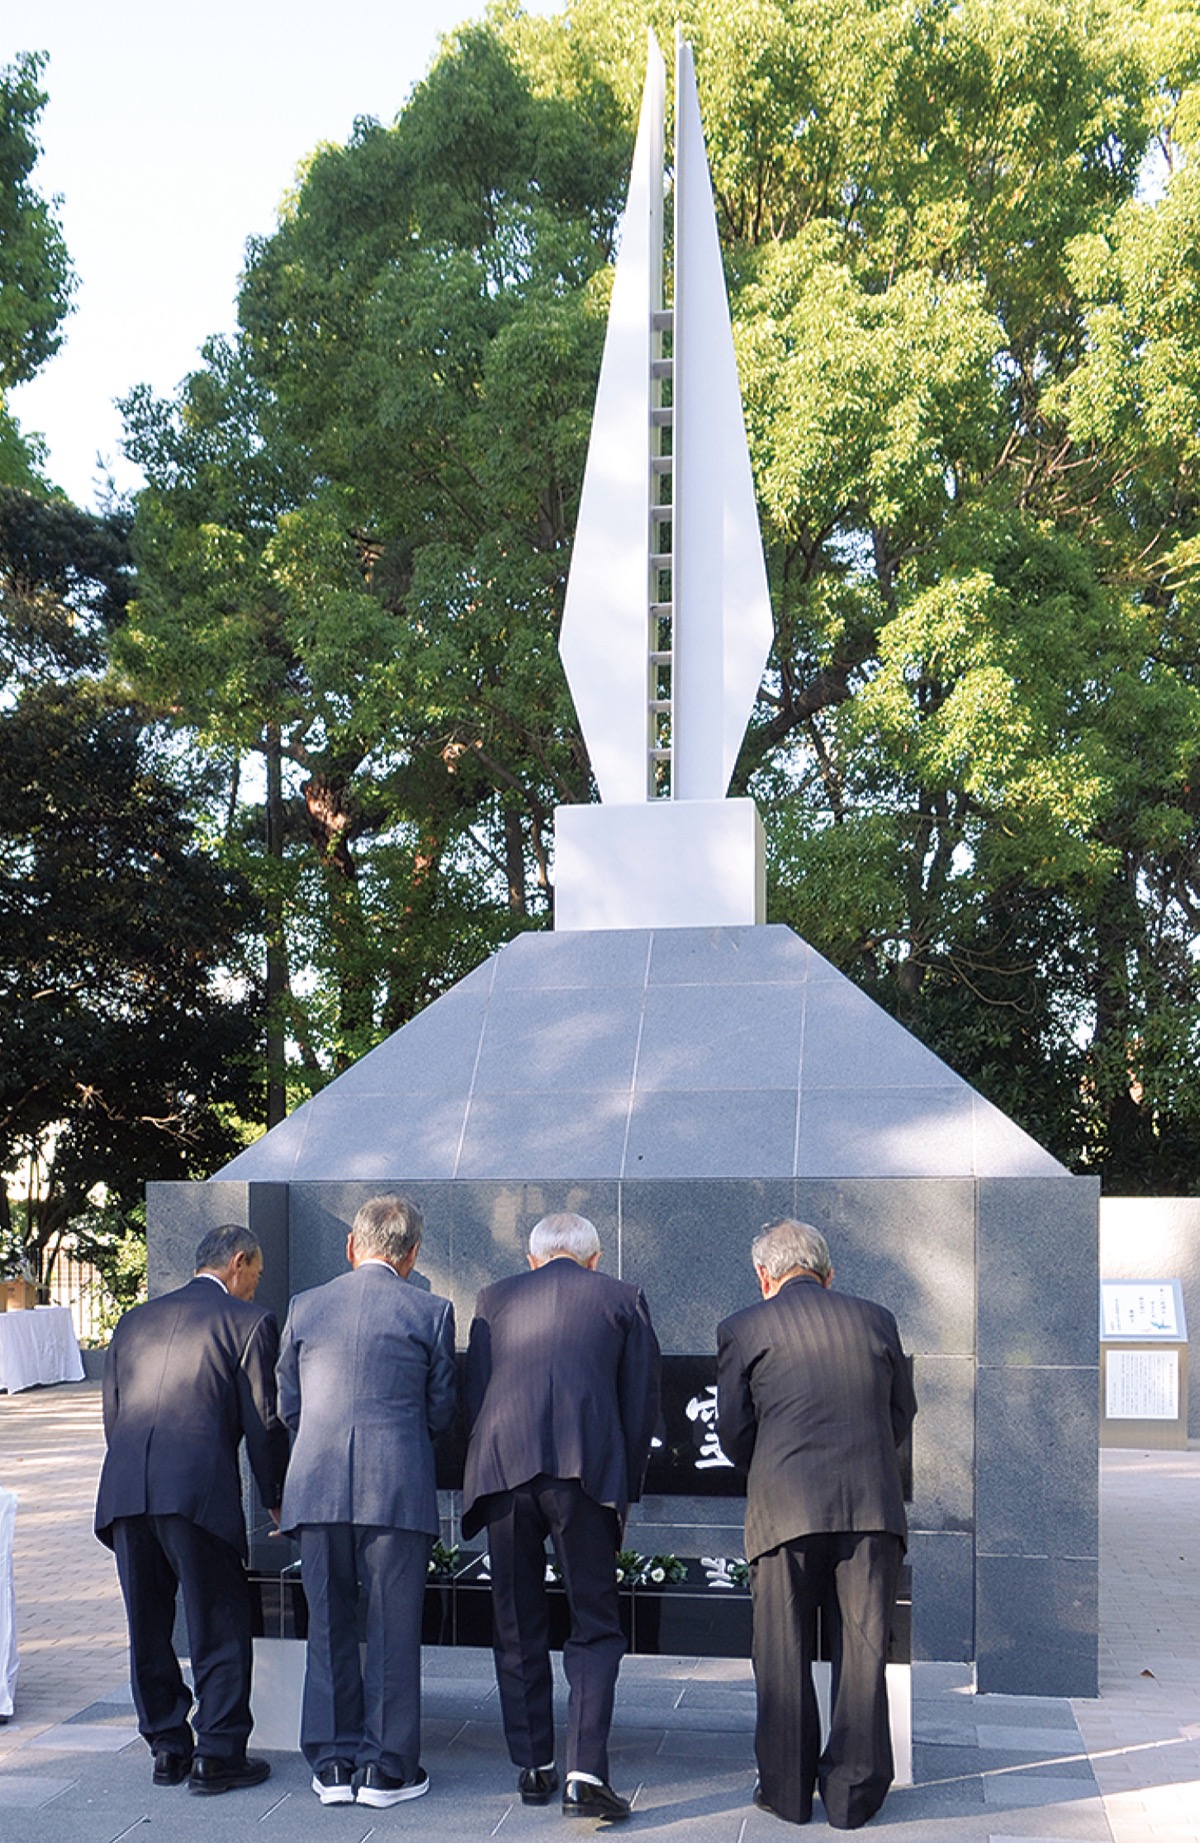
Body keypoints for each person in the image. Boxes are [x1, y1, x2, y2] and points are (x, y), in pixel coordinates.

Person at [716, 1220, 916, 1830]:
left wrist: (774, 1462)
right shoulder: (877, 1319)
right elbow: (900, 1413)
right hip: (870, 1509)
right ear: (829, 1274)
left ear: (765, 1276)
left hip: (784, 1510)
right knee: (862, 1651)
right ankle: (853, 1797)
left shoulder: (744, 1327)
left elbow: (732, 1431)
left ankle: (786, 1789)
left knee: (781, 1650)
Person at [463, 1211, 661, 1823]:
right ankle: (584, 1769)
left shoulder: (493, 1299)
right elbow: (640, 1403)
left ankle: (533, 1765)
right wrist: (623, 1492)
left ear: (533, 1259)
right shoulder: (622, 1298)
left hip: (502, 1470)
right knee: (596, 1623)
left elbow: (476, 1395)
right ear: (593, 1258)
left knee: (517, 1619)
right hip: (585, 1474)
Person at [94, 1224, 289, 1795]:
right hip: (198, 1496)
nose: (257, 1283)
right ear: (238, 1261)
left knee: (148, 1625)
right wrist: (276, 1498)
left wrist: (136, 1473)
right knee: (218, 1621)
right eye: (256, 1272)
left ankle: (166, 1746)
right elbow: (265, 1423)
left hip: (128, 1490)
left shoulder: (135, 1319)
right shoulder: (248, 1323)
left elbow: (114, 1410)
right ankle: (220, 1752)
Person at [275, 1194, 456, 1807]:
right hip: (396, 1488)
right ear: (411, 1255)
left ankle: (331, 1766)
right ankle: (385, 1770)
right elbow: (441, 1410)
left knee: (327, 1628)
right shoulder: (430, 1311)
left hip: (316, 1488)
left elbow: (288, 1407)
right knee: (392, 1630)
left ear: (352, 1246)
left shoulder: (305, 1306)